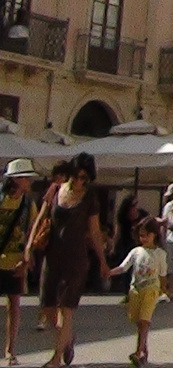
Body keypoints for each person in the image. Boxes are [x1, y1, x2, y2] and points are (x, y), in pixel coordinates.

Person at [28, 152, 105, 368]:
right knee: (48, 309)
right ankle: (67, 339)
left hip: (76, 259)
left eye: (85, 178)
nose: (80, 182)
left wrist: (103, 262)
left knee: (67, 310)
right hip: (52, 257)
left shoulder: (90, 197)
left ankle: (56, 359)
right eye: (77, 176)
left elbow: (95, 232)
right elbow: (40, 219)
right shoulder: (55, 190)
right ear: (70, 173)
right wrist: (28, 248)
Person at [106, 217, 166, 368]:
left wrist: (163, 290)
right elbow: (124, 267)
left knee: (145, 322)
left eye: (146, 235)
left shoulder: (160, 254)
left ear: (154, 235)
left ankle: (138, 352)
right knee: (138, 322)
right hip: (136, 291)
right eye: (141, 235)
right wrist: (109, 272)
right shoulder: (136, 252)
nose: (143, 238)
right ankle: (144, 349)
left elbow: (163, 274)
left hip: (151, 291)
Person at [0, 160, 37, 366]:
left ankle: (10, 350)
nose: (30, 181)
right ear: (16, 179)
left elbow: (32, 231)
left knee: (14, 305)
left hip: (15, 263)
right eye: (27, 178)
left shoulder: (27, 203)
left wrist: (27, 257)